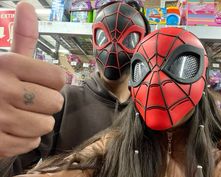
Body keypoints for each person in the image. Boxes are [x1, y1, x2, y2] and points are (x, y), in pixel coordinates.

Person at [14, 27, 221, 177]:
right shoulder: (110, 149)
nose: (156, 81)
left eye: (181, 66)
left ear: (203, 78)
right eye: (144, 69)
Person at [0, 1, 150, 176]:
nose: (113, 46)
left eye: (130, 38)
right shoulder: (60, 102)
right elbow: (10, 168)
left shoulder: (148, 113)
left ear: (143, 44)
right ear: (94, 40)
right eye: (103, 36)